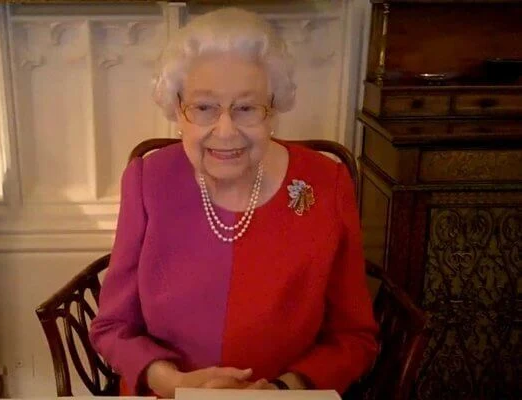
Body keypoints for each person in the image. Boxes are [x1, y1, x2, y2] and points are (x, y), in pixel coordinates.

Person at [89, 7, 378, 398]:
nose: (225, 132)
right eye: (204, 107)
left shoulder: (326, 184)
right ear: (177, 110)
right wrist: (171, 383)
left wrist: (284, 388)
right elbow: (113, 328)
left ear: (273, 109)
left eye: (246, 108)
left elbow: (354, 336)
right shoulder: (148, 180)